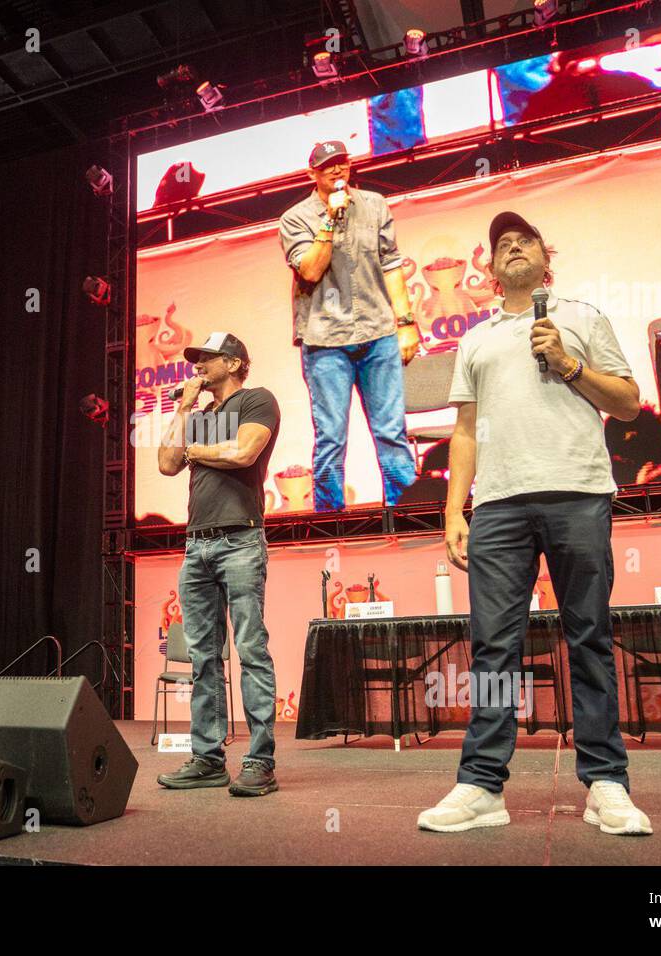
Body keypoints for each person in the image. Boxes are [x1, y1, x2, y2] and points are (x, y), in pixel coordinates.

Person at [417, 212, 653, 836]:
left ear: (547, 261)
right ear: (491, 273)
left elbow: (628, 404)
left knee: (590, 638)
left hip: (578, 493)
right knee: (494, 648)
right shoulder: (475, 340)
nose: (512, 247)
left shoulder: (582, 317)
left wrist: (570, 365)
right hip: (497, 506)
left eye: (523, 240)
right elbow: (464, 432)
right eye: (501, 245)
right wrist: (453, 509)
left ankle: (606, 783)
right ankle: (481, 786)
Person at [156, 332, 281, 797]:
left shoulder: (255, 401)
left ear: (234, 362)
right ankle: (208, 759)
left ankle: (260, 761)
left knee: (250, 649)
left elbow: (243, 452)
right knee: (203, 658)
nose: (198, 367)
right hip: (196, 546)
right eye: (196, 361)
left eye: (206, 359)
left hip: (240, 540)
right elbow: (167, 463)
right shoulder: (202, 416)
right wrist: (183, 410)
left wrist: (195, 450)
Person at [278, 140, 420, 512]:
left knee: (391, 431)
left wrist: (405, 322)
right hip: (325, 340)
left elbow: (391, 265)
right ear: (312, 174)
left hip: (379, 333)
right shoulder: (294, 218)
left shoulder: (374, 204)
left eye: (342, 163)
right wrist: (330, 219)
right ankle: (330, 521)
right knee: (331, 437)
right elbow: (309, 269)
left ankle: (405, 512)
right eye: (327, 167)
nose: (337, 171)